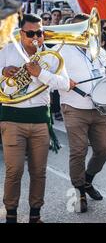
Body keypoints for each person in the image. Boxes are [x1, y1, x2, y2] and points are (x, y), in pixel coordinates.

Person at [0, 13, 70, 223]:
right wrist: (4, 72)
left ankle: (35, 215)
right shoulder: (7, 50)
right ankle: (11, 214)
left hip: (40, 120)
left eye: (39, 32)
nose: (36, 37)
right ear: (21, 33)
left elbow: (65, 84)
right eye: (30, 33)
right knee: (14, 170)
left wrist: (41, 73)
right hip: (12, 117)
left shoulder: (50, 55)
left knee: (39, 172)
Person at [56, 13, 106, 213]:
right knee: (78, 150)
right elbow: (49, 75)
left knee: (104, 149)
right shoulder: (60, 50)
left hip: (99, 107)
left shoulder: (97, 50)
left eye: (88, 28)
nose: (86, 32)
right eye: (80, 28)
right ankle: (79, 189)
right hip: (74, 107)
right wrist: (64, 82)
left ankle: (88, 180)